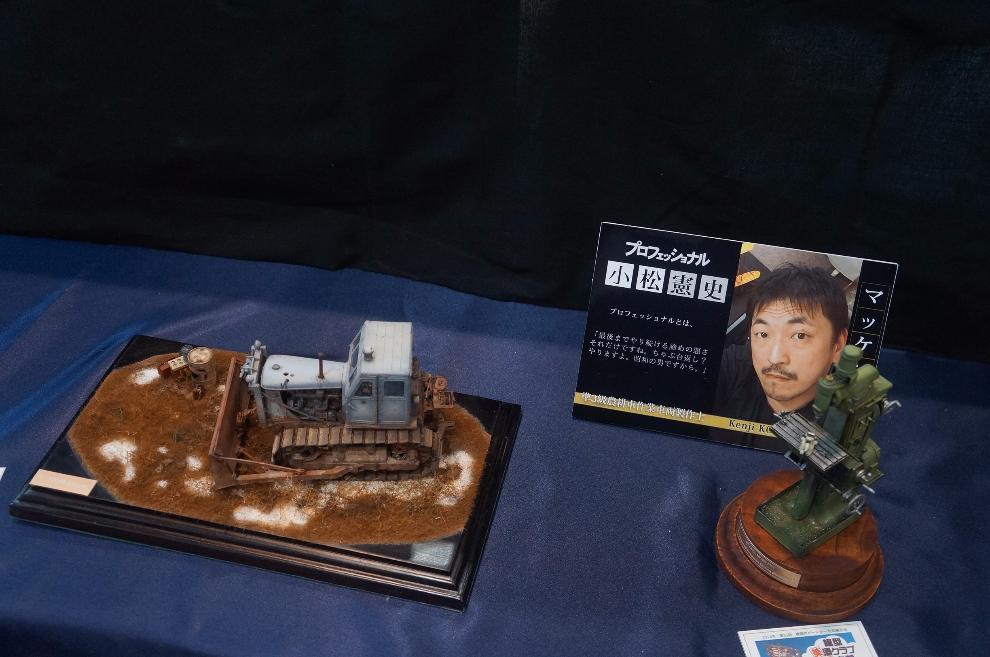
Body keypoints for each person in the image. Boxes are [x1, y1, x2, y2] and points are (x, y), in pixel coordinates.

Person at [713, 265, 849, 425]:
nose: (774, 358)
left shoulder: (843, 421)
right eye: (763, 334)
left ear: (838, 345)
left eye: (800, 336)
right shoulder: (734, 366)